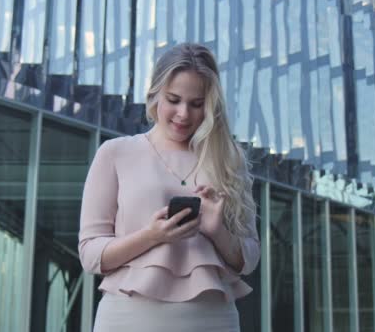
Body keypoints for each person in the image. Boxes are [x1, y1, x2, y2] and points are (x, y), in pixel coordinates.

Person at [78, 43, 260, 332]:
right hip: (129, 319)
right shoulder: (115, 152)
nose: (184, 114)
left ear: (210, 105)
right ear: (155, 95)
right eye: (173, 99)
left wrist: (217, 232)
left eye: (196, 104)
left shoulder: (228, 160)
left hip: (213, 320)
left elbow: (248, 260)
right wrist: (151, 236)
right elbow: (90, 254)